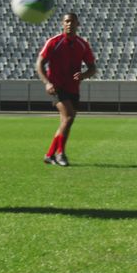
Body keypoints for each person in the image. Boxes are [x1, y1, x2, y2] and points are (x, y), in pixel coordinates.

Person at [35, 12, 96, 167]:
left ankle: (49, 155)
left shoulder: (83, 44)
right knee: (68, 117)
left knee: (66, 122)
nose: (69, 24)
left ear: (77, 24)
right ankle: (60, 154)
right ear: (62, 24)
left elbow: (92, 68)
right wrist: (47, 83)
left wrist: (84, 75)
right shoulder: (54, 42)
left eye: (72, 22)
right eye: (66, 21)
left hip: (73, 88)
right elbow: (39, 64)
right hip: (57, 87)